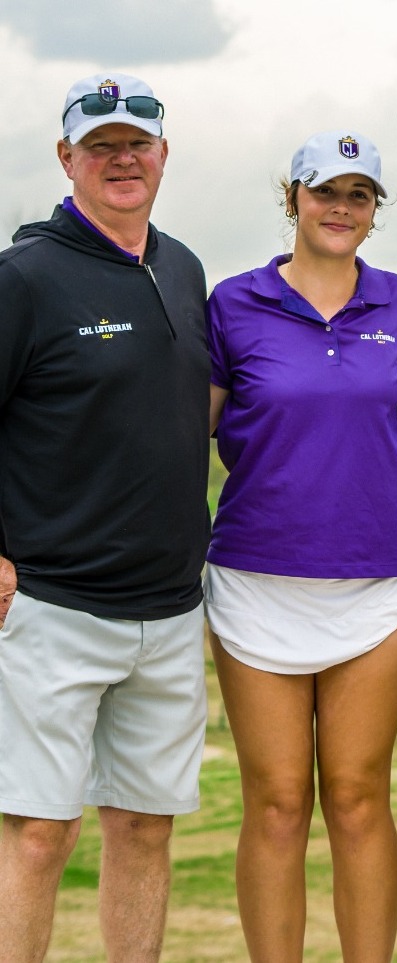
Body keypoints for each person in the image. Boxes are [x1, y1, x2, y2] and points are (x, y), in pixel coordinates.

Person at [203, 130, 397, 962]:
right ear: (293, 198)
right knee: (273, 802)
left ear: (375, 211)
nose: (341, 208)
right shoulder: (233, 302)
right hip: (254, 582)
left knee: (358, 796)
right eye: (325, 192)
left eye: (359, 195)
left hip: (372, 590)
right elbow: (193, 430)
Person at [0, 72, 209, 963]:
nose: (122, 158)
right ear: (66, 158)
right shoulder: (25, 277)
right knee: (40, 836)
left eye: (137, 142)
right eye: (100, 145)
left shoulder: (183, 265)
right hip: (52, 605)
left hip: (167, 611)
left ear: (164, 152)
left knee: (143, 829)